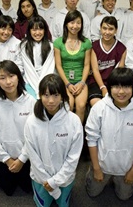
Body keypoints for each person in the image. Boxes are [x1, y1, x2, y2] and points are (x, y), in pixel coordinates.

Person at [85, 67, 133, 201]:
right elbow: (91, 139)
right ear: (109, 88)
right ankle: (91, 170)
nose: (121, 92)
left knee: (124, 197)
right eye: (116, 86)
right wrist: (97, 168)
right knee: (92, 192)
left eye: (126, 86)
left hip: (127, 167)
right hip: (102, 164)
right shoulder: (99, 108)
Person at [24, 74, 83, 207]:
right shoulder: (31, 122)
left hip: (65, 179)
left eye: (56, 95)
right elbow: (32, 155)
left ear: (62, 96)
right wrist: (46, 180)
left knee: (63, 204)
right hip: (40, 179)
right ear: (39, 95)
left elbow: (73, 157)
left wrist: (56, 181)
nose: (51, 101)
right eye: (46, 95)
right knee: (42, 205)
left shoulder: (73, 121)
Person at [0, 60, 36, 196]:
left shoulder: (31, 102)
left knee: (28, 188)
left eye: (11, 76)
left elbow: (35, 134)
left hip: (27, 157)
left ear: (18, 76)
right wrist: (6, 159)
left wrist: (22, 158)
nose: (8, 82)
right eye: (2, 78)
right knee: (8, 190)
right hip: (3, 160)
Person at [53, 10, 92, 124]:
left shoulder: (86, 43)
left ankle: (78, 134)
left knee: (80, 106)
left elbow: (86, 65)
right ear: (66, 24)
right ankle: (66, 133)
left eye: (78, 23)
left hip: (81, 81)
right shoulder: (58, 42)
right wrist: (68, 84)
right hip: (65, 82)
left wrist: (82, 83)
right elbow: (58, 66)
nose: (75, 26)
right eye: (72, 22)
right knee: (68, 105)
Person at [88, 16, 126, 107]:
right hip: (96, 82)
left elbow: (119, 72)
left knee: (116, 103)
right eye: (104, 28)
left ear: (116, 30)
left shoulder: (122, 48)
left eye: (111, 29)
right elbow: (95, 70)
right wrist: (103, 87)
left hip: (114, 82)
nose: (107, 32)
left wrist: (111, 88)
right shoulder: (94, 46)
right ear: (100, 29)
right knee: (96, 103)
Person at [20, 16, 55, 98]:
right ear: (29, 31)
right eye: (34, 30)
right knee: (31, 100)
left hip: (46, 80)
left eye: (40, 29)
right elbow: (28, 69)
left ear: (45, 30)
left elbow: (48, 68)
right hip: (29, 80)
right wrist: (37, 88)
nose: (37, 33)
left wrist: (42, 85)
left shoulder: (50, 46)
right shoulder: (23, 46)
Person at [0, 15, 22, 81]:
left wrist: (11, 78)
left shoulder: (17, 44)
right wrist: (1, 79)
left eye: (9, 29)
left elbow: (20, 66)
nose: (6, 32)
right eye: (3, 28)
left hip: (14, 79)